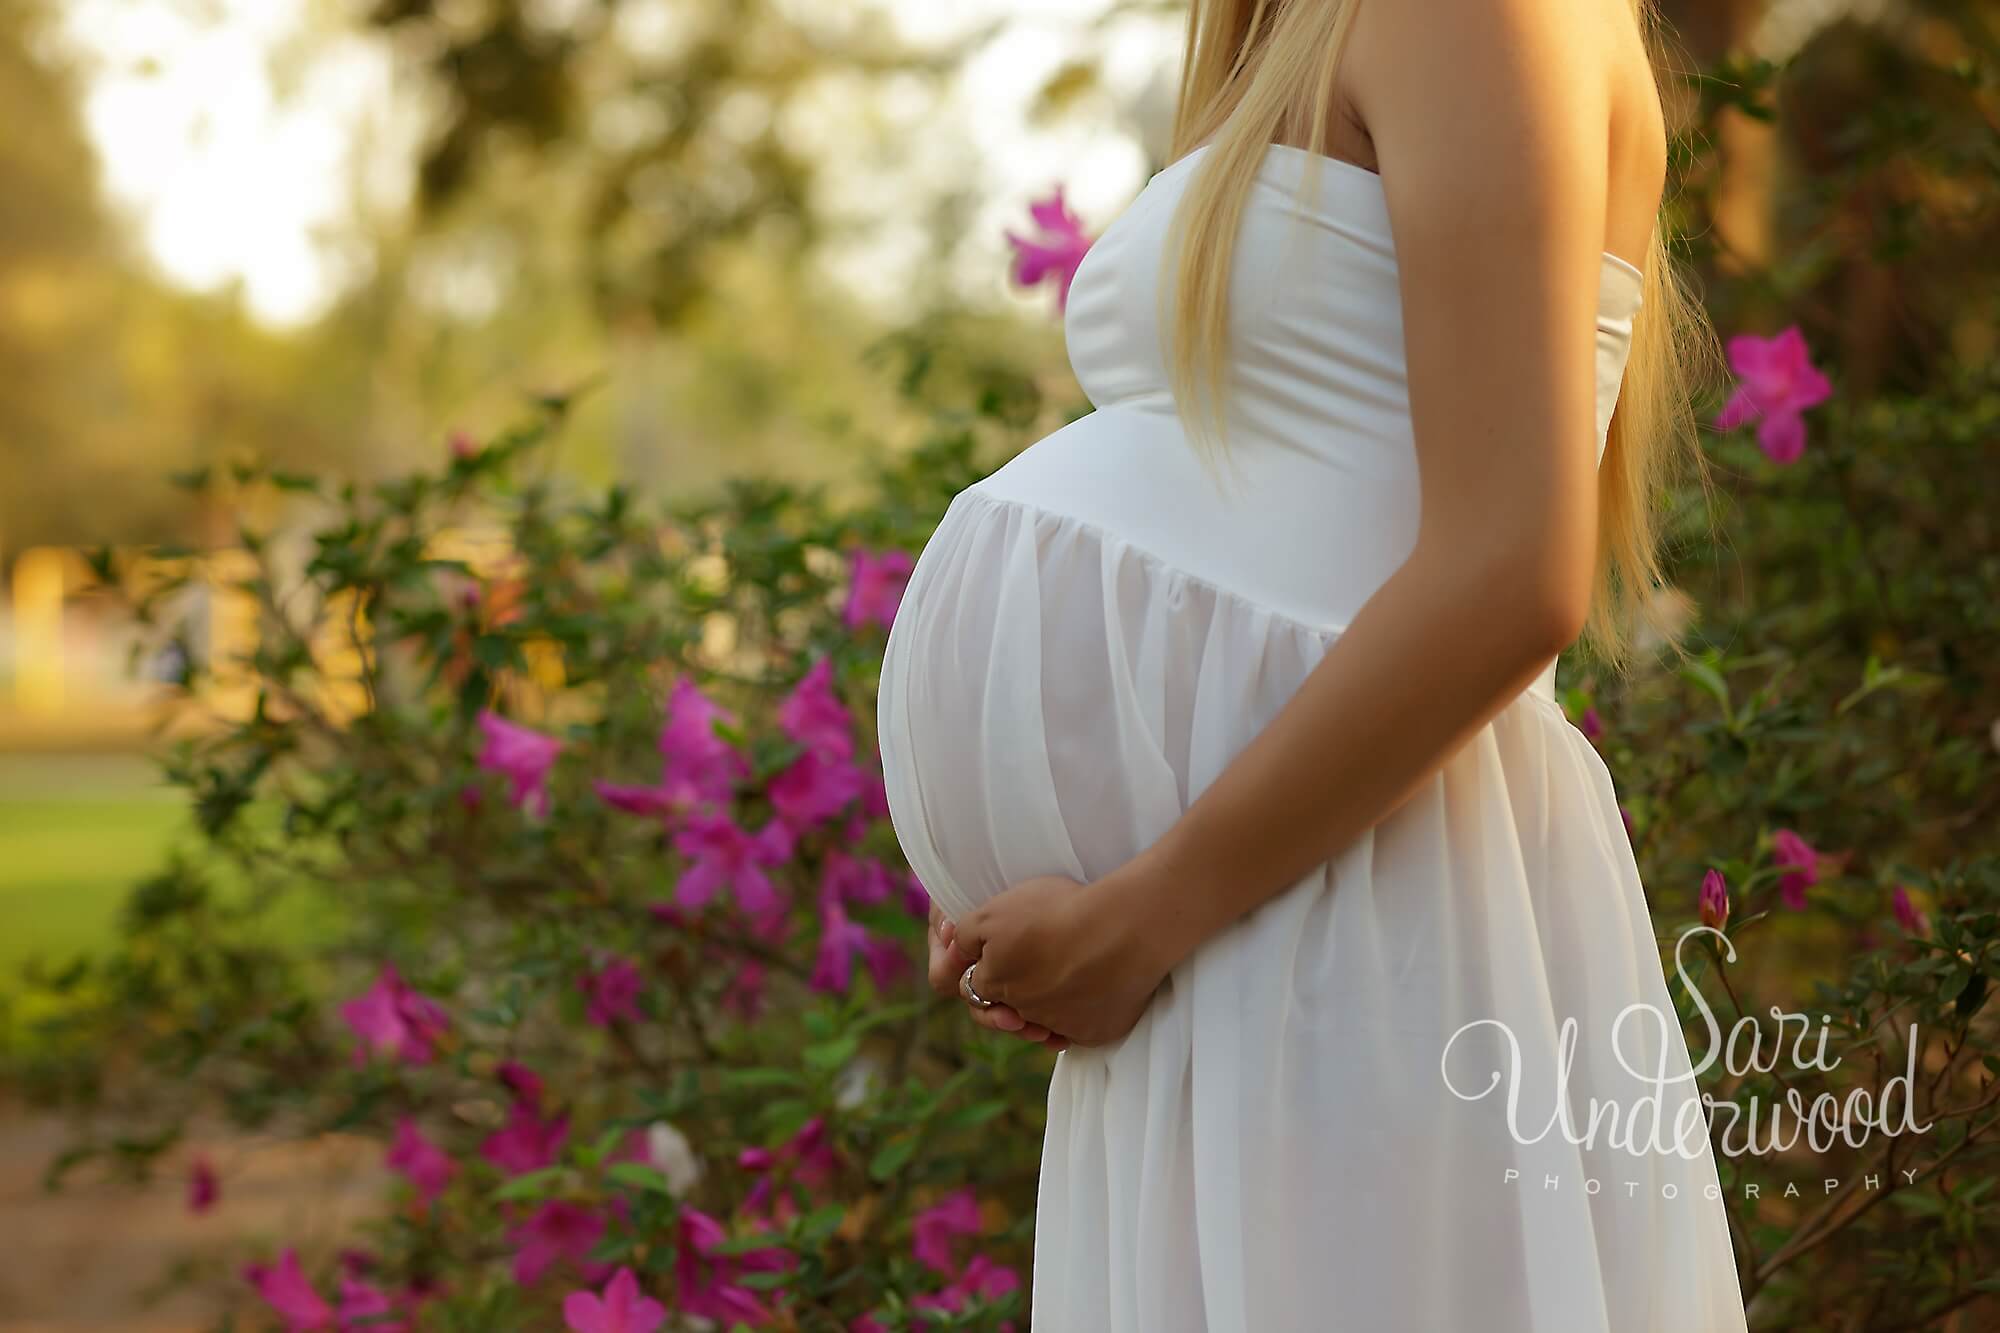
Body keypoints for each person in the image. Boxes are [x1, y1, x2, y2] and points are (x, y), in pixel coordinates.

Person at [874, 0, 1750, 1327]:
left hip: (1357, 912)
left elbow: (1514, 570)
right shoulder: (1296, 30)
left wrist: (1148, 903)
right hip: (1237, 928)